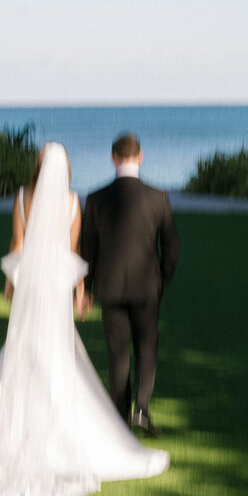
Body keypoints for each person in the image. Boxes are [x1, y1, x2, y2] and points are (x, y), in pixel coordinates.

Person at [0, 142, 167, 496]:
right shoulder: (72, 202)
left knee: (22, 349)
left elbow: (17, 243)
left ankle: (15, 428)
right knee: (54, 352)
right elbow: (73, 253)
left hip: (30, 286)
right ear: (65, 168)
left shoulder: (23, 196)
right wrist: (80, 291)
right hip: (55, 287)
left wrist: (11, 283)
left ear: (38, 166)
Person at [80, 133, 179, 436]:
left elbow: (88, 249)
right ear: (141, 156)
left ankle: (120, 418)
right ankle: (142, 410)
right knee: (146, 347)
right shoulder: (158, 196)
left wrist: (85, 288)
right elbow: (171, 247)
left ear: (113, 158)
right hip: (147, 288)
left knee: (117, 353)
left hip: (109, 288)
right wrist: (161, 280)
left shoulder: (96, 198)